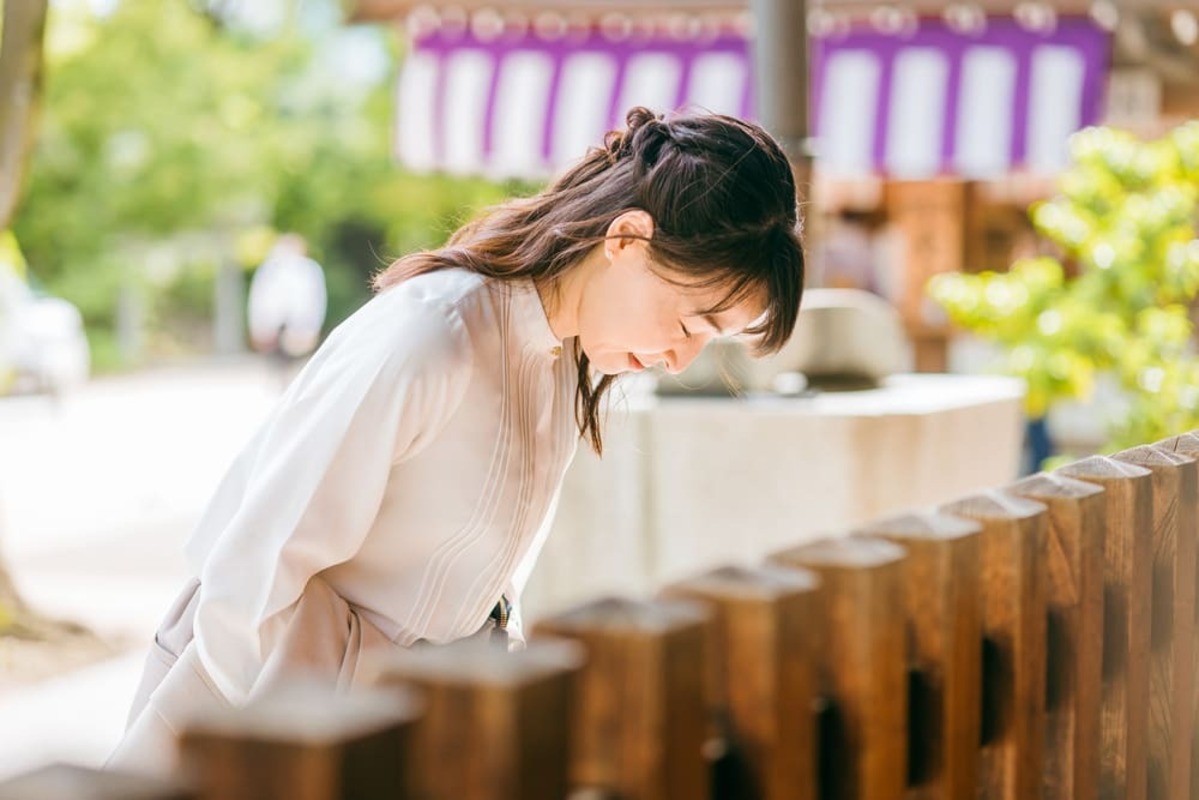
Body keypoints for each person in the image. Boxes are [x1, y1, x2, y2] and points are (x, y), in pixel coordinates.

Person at [106, 106, 806, 775]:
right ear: (625, 240)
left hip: (382, 716)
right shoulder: (432, 335)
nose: (680, 361)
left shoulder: (561, 356)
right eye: (687, 324)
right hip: (265, 708)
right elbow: (252, 577)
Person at [245, 233, 328, 364]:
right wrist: (259, 327)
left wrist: (311, 327)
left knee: (295, 360)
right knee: (277, 362)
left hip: (298, 322)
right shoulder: (269, 269)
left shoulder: (309, 269)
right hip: (274, 323)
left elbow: (315, 300)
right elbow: (259, 299)